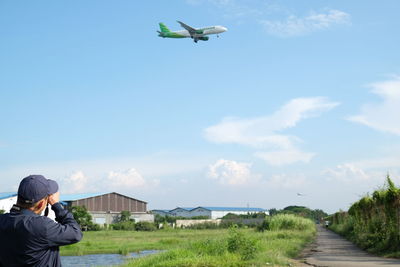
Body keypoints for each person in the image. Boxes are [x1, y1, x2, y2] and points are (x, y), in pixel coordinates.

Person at [0, 175, 82, 266]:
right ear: (41, 204)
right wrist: (56, 205)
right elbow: (75, 233)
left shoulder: (2, 220)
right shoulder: (42, 226)